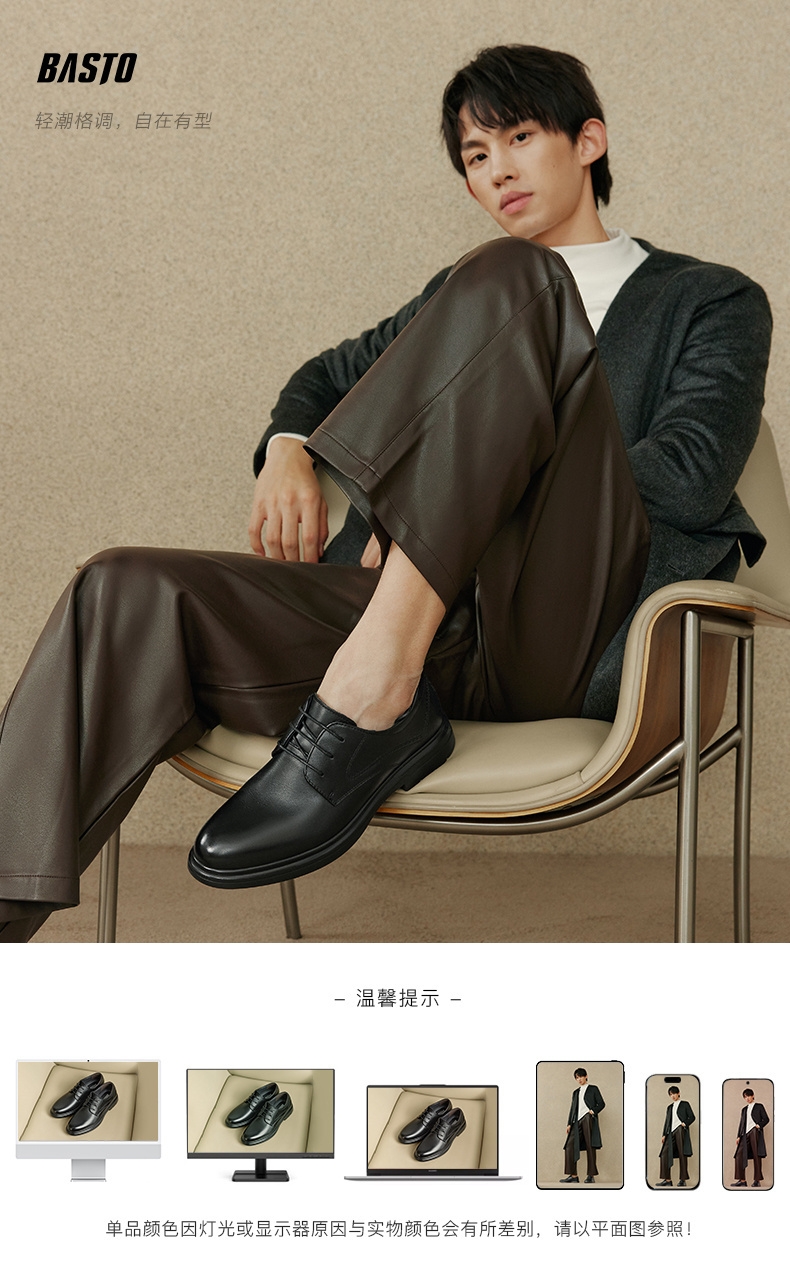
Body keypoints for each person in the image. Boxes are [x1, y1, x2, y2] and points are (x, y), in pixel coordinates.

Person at [0, 44, 771, 940]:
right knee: (121, 587)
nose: (497, 170)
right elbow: (324, 377)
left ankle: (366, 697)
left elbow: (691, 472)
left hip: (568, 621)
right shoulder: (458, 299)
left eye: (519, 138)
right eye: (475, 155)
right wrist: (287, 451)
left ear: (589, 141)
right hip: (410, 626)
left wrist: (462, 496)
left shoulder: (708, 299)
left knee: (517, 275)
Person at [562, 1068, 605, 1183]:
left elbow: (601, 1103)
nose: (579, 1079)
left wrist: (593, 1111)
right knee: (569, 1146)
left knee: (590, 1146)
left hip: (588, 1118)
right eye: (577, 1078)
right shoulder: (576, 1092)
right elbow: (573, 1109)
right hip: (577, 1121)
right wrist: (569, 1123)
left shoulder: (593, 1089)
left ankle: (591, 1176)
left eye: (581, 1076)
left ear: (586, 1076)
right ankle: (574, 1176)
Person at [656, 1085, 696, 1186]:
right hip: (670, 1132)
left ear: (678, 1093)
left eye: (674, 1093)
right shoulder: (669, 1107)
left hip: (680, 1130)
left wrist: (684, 1124)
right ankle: (668, 1180)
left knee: (682, 1154)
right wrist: (664, 1134)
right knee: (664, 1154)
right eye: (670, 1094)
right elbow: (667, 1122)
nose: (673, 1096)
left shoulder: (685, 1104)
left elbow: (692, 1117)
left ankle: (683, 1180)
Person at [733, 1088, 770, 1187]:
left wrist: (759, 1125)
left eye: (749, 1096)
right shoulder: (744, 1109)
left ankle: (757, 1181)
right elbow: (741, 1123)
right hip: (745, 1134)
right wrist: (738, 1136)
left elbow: (766, 1119)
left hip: (755, 1131)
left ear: (753, 1095)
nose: (747, 1098)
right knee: (739, 1155)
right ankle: (742, 1181)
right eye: (745, 1097)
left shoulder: (759, 1106)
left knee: (756, 1155)